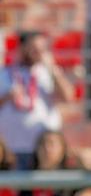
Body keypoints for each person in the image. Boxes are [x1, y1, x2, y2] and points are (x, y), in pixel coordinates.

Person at [0, 32, 73, 170]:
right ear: (22, 48)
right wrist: (7, 97)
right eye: (33, 48)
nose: (37, 52)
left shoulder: (47, 73)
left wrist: (52, 67)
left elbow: (68, 96)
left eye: (42, 48)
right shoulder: (4, 74)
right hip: (11, 150)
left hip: (43, 152)